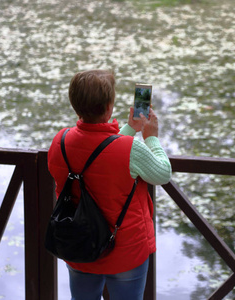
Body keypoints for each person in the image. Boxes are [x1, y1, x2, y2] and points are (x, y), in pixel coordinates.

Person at [48, 69, 172, 300]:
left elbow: (98, 151)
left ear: (75, 104)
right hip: (125, 251)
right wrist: (151, 137)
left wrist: (130, 129)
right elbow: (162, 173)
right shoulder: (130, 149)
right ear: (109, 107)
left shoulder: (60, 141)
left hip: (79, 244)